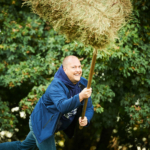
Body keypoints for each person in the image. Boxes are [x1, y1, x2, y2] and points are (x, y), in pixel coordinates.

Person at [0, 55, 94, 150]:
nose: (78, 70)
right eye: (74, 67)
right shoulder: (56, 85)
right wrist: (80, 96)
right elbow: (62, 106)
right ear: (65, 70)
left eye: (79, 66)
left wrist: (86, 118)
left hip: (52, 125)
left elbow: (89, 107)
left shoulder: (83, 83)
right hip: (42, 124)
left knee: (23, 148)